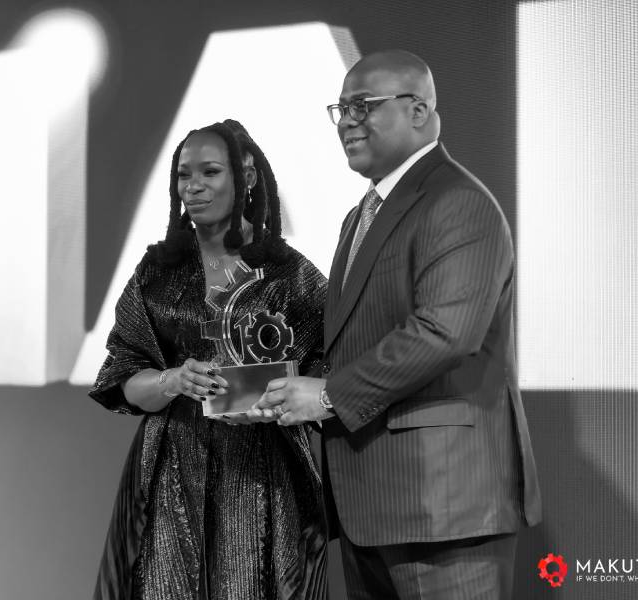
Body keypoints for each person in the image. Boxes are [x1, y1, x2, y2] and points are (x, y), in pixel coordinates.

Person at [254, 51, 542, 599]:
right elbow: (353, 341)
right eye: (340, 108)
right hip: (374, 508)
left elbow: (443, 332)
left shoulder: (457, 201)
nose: (346, 121)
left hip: (442, 510)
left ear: (418, 111)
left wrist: (329, 395)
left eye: (363, 106)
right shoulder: (363, 213)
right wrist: (274, 392)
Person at [88, 119, 328, 600]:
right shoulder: (156, 273)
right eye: (183, 175)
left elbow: (329, 379)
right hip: (173, 467)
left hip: (266, 478)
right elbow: (124, 381)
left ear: (248, 177)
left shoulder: (290, 274)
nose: (192, 188)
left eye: (210, 172)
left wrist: (280, 399)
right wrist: (172, 380)